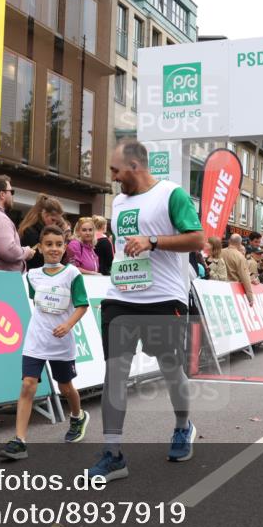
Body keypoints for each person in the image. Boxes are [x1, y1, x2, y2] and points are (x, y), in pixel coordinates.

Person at [89, 140, 205, 482]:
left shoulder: (172, 195)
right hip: (121, 296)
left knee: (170, 368)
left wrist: (153, 241)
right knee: (115, 374)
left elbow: (198, 239)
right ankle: (113, 454)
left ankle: (183, 426)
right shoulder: (121, 201)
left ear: (135, 165)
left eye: (115, 170)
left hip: (163, 298)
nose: (112, 177)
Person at [0, 225, 90, 460]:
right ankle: (19, 440)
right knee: (28, 384)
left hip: (61, 342)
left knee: (65, 387)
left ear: (64, 247)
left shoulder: (72, 274)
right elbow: (37, 302)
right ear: (40, 247)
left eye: (59, 244)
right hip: (36, 339)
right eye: (49, 244)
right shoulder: (32, 275)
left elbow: (82, 305)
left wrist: (68, 324)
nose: (54, 249)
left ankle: (78, 417)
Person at [0, 175, 34, 272]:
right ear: (2, 194)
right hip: (2, 280)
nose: (12, 196)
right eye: (11, 192)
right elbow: (8, 250)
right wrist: (26, 251)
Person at [18, 194, 64, 270]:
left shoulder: (36, 230)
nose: (54, 224)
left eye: (57, 222)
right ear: (44, 214)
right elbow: (36, 260)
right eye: (53, 220)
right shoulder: (30, 232)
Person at [220, 234, 253, 304]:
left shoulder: (219, 252)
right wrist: (250, 297)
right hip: (233, 290)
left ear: (229, 241)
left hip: (218, 287)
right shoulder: (240, 257)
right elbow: (245, 277)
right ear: (240, 244)